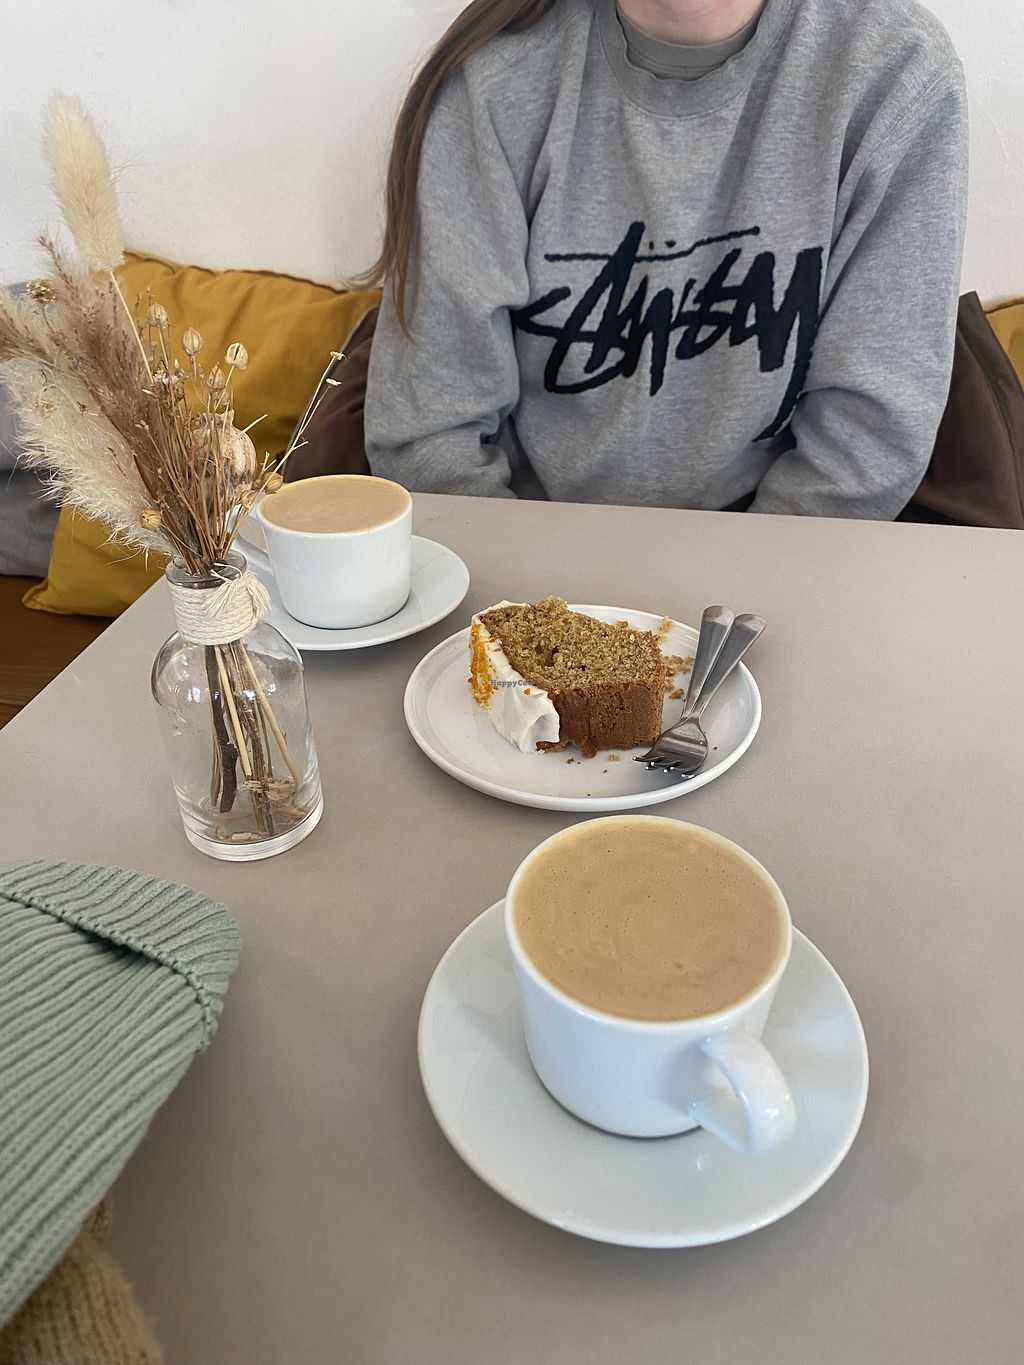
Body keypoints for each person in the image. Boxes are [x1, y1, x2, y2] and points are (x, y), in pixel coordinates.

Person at [362, 0, 969, 519]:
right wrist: (537, 608)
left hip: (779, 565)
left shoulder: (894, 68)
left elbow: (867, 439)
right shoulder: (492, 73)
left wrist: (744, 596)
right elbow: (432, 430)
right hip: (526, 558)